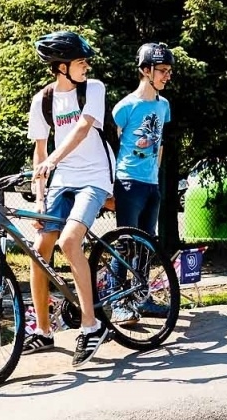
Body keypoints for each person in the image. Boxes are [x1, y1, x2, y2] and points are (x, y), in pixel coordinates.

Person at [27, 30, 114, 367]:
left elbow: (81, 129)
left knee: (69, 241)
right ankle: (44, 331)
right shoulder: (43, 101)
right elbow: (39, 152)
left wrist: (53, 160)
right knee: (39, 248)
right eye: (80, 61)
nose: (86, 66)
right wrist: (39, 199)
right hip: (61, 181)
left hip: (94, 176)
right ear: (61, 67)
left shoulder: (94, 89)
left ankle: (91, 326)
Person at [112, 43, 173, 238]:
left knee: (148, 245)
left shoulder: (164, 105)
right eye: (163, 70)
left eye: (169, 71)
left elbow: (160, 143)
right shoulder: (125, 106)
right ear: (146, 70)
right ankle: (116, 271)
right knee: (127, 244)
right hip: (128, 182)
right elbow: (113, 144)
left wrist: (155, 173)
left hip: (152, 184)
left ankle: (141, 271)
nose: (168, 76)